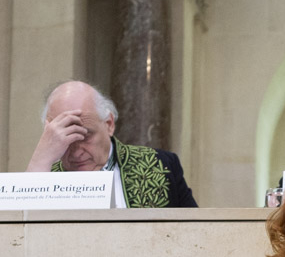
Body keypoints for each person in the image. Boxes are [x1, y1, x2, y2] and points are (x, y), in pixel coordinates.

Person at [26, 80, 197, 207]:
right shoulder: (44, 180)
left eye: (85, 136)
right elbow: (17, 241)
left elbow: (197, 235)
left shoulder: (162, 165)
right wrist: (39, 162)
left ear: (109, 124)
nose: (77, 153)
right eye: (66, 139)